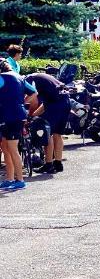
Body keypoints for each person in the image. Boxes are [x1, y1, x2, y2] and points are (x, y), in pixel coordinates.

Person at [0, 60, 36, 191]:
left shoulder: (2, 77)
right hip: (16, 115)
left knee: (12, 148)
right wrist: (21, 103)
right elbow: (34, 93)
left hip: (9, 116)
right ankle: (9, 178)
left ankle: (20, 180)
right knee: (5, 147)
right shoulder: (19, 77)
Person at [25, 71, 71, 174]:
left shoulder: (29, 79)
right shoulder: (45, 78)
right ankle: (58, 164)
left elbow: (32, 96)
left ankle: (49, 164)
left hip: (55, 105)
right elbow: (46, 103)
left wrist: (23, 106)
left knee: (47, 134)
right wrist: (33, 115)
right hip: (65, 102)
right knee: (57, 134)